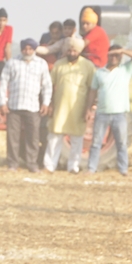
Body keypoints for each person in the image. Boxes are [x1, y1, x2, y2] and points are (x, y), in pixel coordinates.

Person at [86, 44, 132, 175]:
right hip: (102, 113)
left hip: (119, 113)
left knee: (121, 143)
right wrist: (88, 109)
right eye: (112, 55)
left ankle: (123, 169)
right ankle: (91, 168)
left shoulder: (125, 70)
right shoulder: (99, 73)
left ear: (121, 56)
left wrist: (122, 50)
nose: (114, 58)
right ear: (108, 56)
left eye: (117, 55)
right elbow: (93, 91)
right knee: (96, 143)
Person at [0, 38, 52, 172]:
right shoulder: (12, 62)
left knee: (33, 137)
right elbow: (3, 83)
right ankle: (12, 164)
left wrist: (46, 103)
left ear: (34, 50)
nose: (27, 51)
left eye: (30, 49)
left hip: (32, 106)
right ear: (21, 49)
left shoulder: (41, 64)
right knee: (13, 137)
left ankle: (32, 164)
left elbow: (47, 85)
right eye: (25, 49)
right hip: (14, 106)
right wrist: (2, 102)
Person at [44, 37, 95, 172]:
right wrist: (50, 104)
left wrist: (88, 108)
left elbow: (92, 88)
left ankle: (73, 166)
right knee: (54, 137)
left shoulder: (87, 66)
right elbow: (51, 85)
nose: (72, 53)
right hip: (59, 107)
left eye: (74, 50)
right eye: (69, 50)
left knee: (77, 138)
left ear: (79, 51)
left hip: (78, 108)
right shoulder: (58, 64)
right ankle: (49, 166)